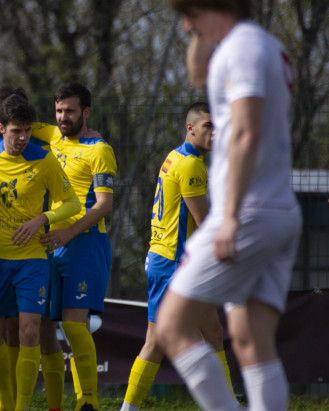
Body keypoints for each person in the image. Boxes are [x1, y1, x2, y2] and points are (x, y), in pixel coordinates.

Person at [157, 2, 300, 411]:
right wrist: (201, 35)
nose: (185, 23)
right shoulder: (261, 45)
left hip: (249, 213)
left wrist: (231, 216)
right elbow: (199, 77)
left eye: (189, 12)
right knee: (250, 338)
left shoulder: (242, 48)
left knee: (171, 326)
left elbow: (246, 134)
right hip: (276, 211)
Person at [0, 94, 81, 411]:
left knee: (30, 331)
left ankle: (21, 408)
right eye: (16, 131)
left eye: (27, 131)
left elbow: (72, 203)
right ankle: (2, 400)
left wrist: (42, 219)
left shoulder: (44, 160)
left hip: (31, 261)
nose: (22, 137)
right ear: (0, 128)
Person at [121, 102, 235, 411]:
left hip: (168, 260)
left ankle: (227, 405)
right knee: (156, 342)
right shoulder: (191, 165)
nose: (215, 132)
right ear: (191, 127)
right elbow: (205, 221)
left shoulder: (175, 156)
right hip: (173, 263)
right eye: (209, 126)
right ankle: (128, 408)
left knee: (212, 331)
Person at [36, 82, 118, 411]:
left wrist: (69, 232)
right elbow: (14, 122)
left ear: (85, 112)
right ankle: (56, 405)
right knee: (45, 327)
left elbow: (104, 205)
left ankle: (88, 402)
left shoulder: (99, 150)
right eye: (58, 111)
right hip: (51, 243)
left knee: (73, 323)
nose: (63, 117)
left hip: (83, 241)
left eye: (69, 111)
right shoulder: (53, 137)